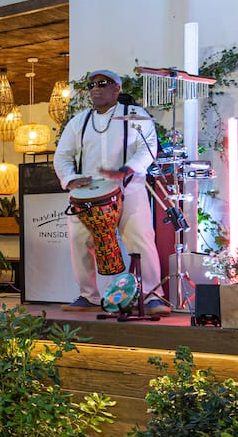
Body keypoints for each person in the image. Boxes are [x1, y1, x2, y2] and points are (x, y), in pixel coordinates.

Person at [52, 69, 167, 312]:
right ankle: (88, 295)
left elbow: (148, 150)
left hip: (129, 188)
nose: (95, 88)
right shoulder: (79, 121)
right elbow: (62, 156)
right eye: (91, 84)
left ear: (117, 88)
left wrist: (128, 170)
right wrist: (71, 178)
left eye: (102, 83)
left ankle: (151, 295)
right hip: (89, 193)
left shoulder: (135, 116)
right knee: (79, 239)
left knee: (140, 239)